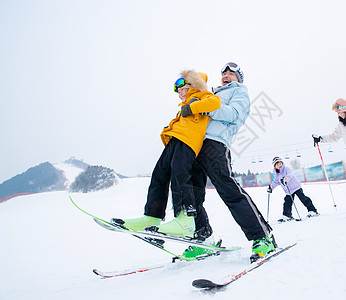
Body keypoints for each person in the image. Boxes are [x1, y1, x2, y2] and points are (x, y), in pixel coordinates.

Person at [111, 70, 221, 237]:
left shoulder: (201, 95)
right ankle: (152, 217)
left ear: (192, 84)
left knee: (180, 173)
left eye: (181, 89)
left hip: (188, 141)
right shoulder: (185, 104)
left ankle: (186, 220)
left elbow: (215, 102)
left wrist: (191, 107)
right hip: (175, 140)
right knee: (159, 174)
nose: (179, 94)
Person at [185, 62, 275, 262]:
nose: (226, 76)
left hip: (216, 143)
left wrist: (205, 108)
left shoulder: (240, 93)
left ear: (238, 79)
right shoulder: (211, 93)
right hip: (195, 144)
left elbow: (233, 115)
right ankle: (204, 238)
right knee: (192, 193)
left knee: (229, 190)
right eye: (224, 73)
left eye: (231, 74)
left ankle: (262, 237)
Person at [267, 156, 319, 221]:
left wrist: (286, 179)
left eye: (280, 163)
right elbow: (275, 182)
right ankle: (287, 215)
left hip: (296, 187)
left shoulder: (286, 169)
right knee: (287, 202)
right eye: (277, 164)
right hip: (288, 191)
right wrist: (271, 188)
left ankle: (312, 210)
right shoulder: (277, 174)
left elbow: (290, 174)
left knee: (303, 198)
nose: (279, 165)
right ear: (275, 167)